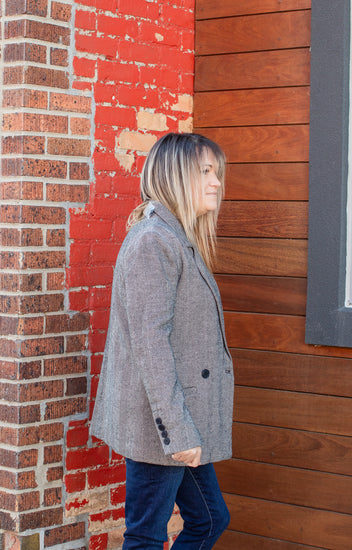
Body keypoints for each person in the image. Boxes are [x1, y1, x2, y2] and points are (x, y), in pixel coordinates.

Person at [90, 132, 234, 549]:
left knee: (209, 520)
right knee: (146, 536)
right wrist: (179, 432)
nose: (216, 182)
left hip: (180, 418)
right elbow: (150, 345)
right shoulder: (154, 241)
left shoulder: (176, 239)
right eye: (204, 172)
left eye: (217, 173)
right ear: (174, 175)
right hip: (163, 426)